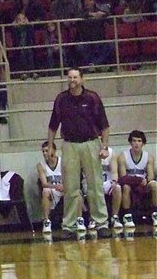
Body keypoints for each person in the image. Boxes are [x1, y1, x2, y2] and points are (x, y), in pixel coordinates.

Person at [46, 67, 111, 237]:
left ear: (82, 79)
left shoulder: (92, 98)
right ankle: (69, 225)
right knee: (70, 187)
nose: (72, 80)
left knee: (95, 185)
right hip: (69, 145)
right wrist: (51, 147)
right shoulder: (61, 99)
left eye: (75, 77)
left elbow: (104, 125)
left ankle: (101, 222)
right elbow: (53, 125)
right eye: (70, 77)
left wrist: (104, 147)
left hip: (91, 143)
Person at [117, 130, 157, 228]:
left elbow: (151, 175)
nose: (136, 144)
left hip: (144, 184)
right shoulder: (123, 156)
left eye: (139, 141)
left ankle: (155, 213)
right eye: (134, 141)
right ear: (130, 142)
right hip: (130, 183)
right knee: (126, 187)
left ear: (143, 143)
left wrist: (145, 181)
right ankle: (127, 216)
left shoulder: (149, 157)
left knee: (154, 185)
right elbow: (123, 177)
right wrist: (137, 181)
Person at [37, 142, 63, 234]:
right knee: (45, 191)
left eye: (47, 151)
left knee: (76, 192)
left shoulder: (63, 162)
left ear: (54, 151)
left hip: (64, 189)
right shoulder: (41, 165)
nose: (44, 153)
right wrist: (56, 186)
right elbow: (44, 183)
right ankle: (47, 221)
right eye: (43, 151)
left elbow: (70, 178)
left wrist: (64, 186)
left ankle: (79, 220)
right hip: (53, 189)